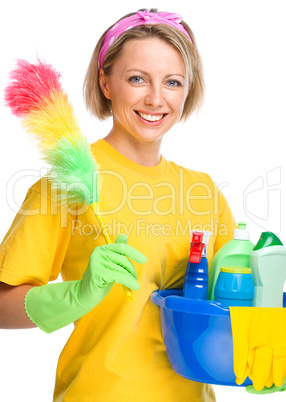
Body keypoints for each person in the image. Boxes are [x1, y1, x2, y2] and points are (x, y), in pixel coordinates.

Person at [0, 8, 237, 401]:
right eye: (137, 79)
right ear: (106, 83)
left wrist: (261, 356)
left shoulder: (203, 190)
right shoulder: (64, 185)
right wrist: (76, 295)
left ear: (188, 91)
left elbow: (232, 305)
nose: (156, 98)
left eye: (173, 82)